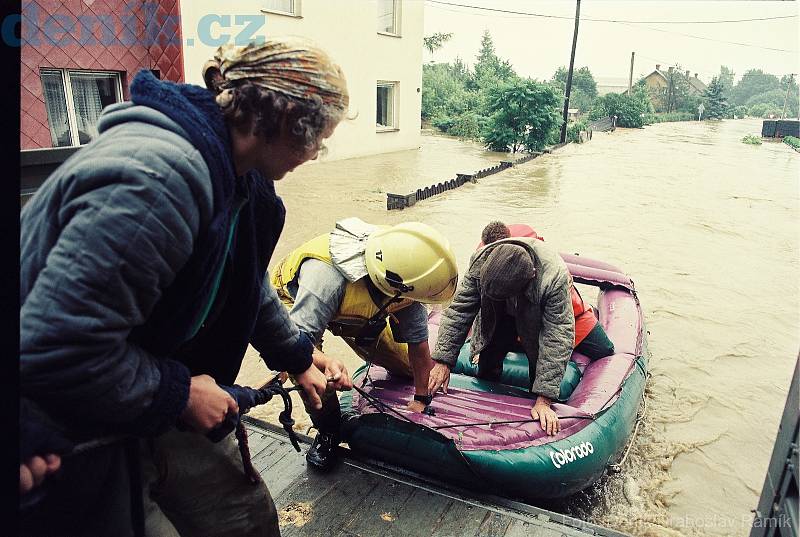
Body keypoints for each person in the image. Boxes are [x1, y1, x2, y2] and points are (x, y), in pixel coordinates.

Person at [20, 37, 351, 537]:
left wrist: (297, 356)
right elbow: (57, 347)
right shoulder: (160, 182)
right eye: (318, 139)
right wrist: (178, 395)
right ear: (284, 122)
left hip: (150, 382)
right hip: (64, 418)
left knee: (246, 521)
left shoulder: (236, 174)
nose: (315, 155)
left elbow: (243, 282)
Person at [271, 218, 459, 471]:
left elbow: (418, 345)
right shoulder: (325, 280)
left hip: (356, 313)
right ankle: (328, 433)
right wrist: (325, 363)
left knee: (405, 366)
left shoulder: (408, 280)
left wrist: (421, 399)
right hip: (297, 311)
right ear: (393, 286)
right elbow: (296, 343)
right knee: (311, 379)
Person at [427, 227, 576, 437]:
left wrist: (544, 398)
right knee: (489, 355)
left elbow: (558, 336)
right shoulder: (481, 260)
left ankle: (537, 400)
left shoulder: (552, 278)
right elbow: (460, 309)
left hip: (534, 316)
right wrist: (442, 360)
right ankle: (485, 399)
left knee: (539, 361)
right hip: (496, 312)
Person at [478, 221, 615, 361]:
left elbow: (559, 326)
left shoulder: (548, 274)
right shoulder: (483, 257)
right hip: (514, 319)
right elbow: (470, 303)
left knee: (604, 349)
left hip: (567, 316)